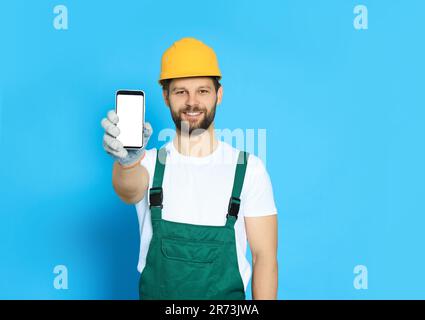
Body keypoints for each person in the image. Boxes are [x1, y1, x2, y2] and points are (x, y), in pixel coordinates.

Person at [101, 37, 278, 300]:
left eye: (202, 91)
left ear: (219, 95)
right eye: (181, 91)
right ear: (166, 97)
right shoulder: (148, 162)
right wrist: (127, 161)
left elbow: (264, 257)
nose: (192, 102)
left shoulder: (249, 170)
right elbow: (127, 190)